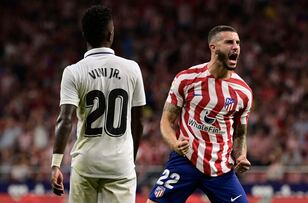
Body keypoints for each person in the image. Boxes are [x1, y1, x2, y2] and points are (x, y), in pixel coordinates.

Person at [50, 5, 146, 203]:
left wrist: (55, 164)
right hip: (120, 165)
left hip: (86, 163)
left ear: (84, 35)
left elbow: (65, 120)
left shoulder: (73, 71)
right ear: (111, 34)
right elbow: (138, 123)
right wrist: (130, 159)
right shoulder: (132, 69)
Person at [147, 25, 253, 203]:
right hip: (185, 161)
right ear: (213, 47)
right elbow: (166, 120)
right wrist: (174, 143)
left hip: (221, 169)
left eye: (238, 43)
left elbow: (240, 133)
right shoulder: (186, 79)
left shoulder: (243, 92)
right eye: (229, 42)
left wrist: (241, 155)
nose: (235, 47)